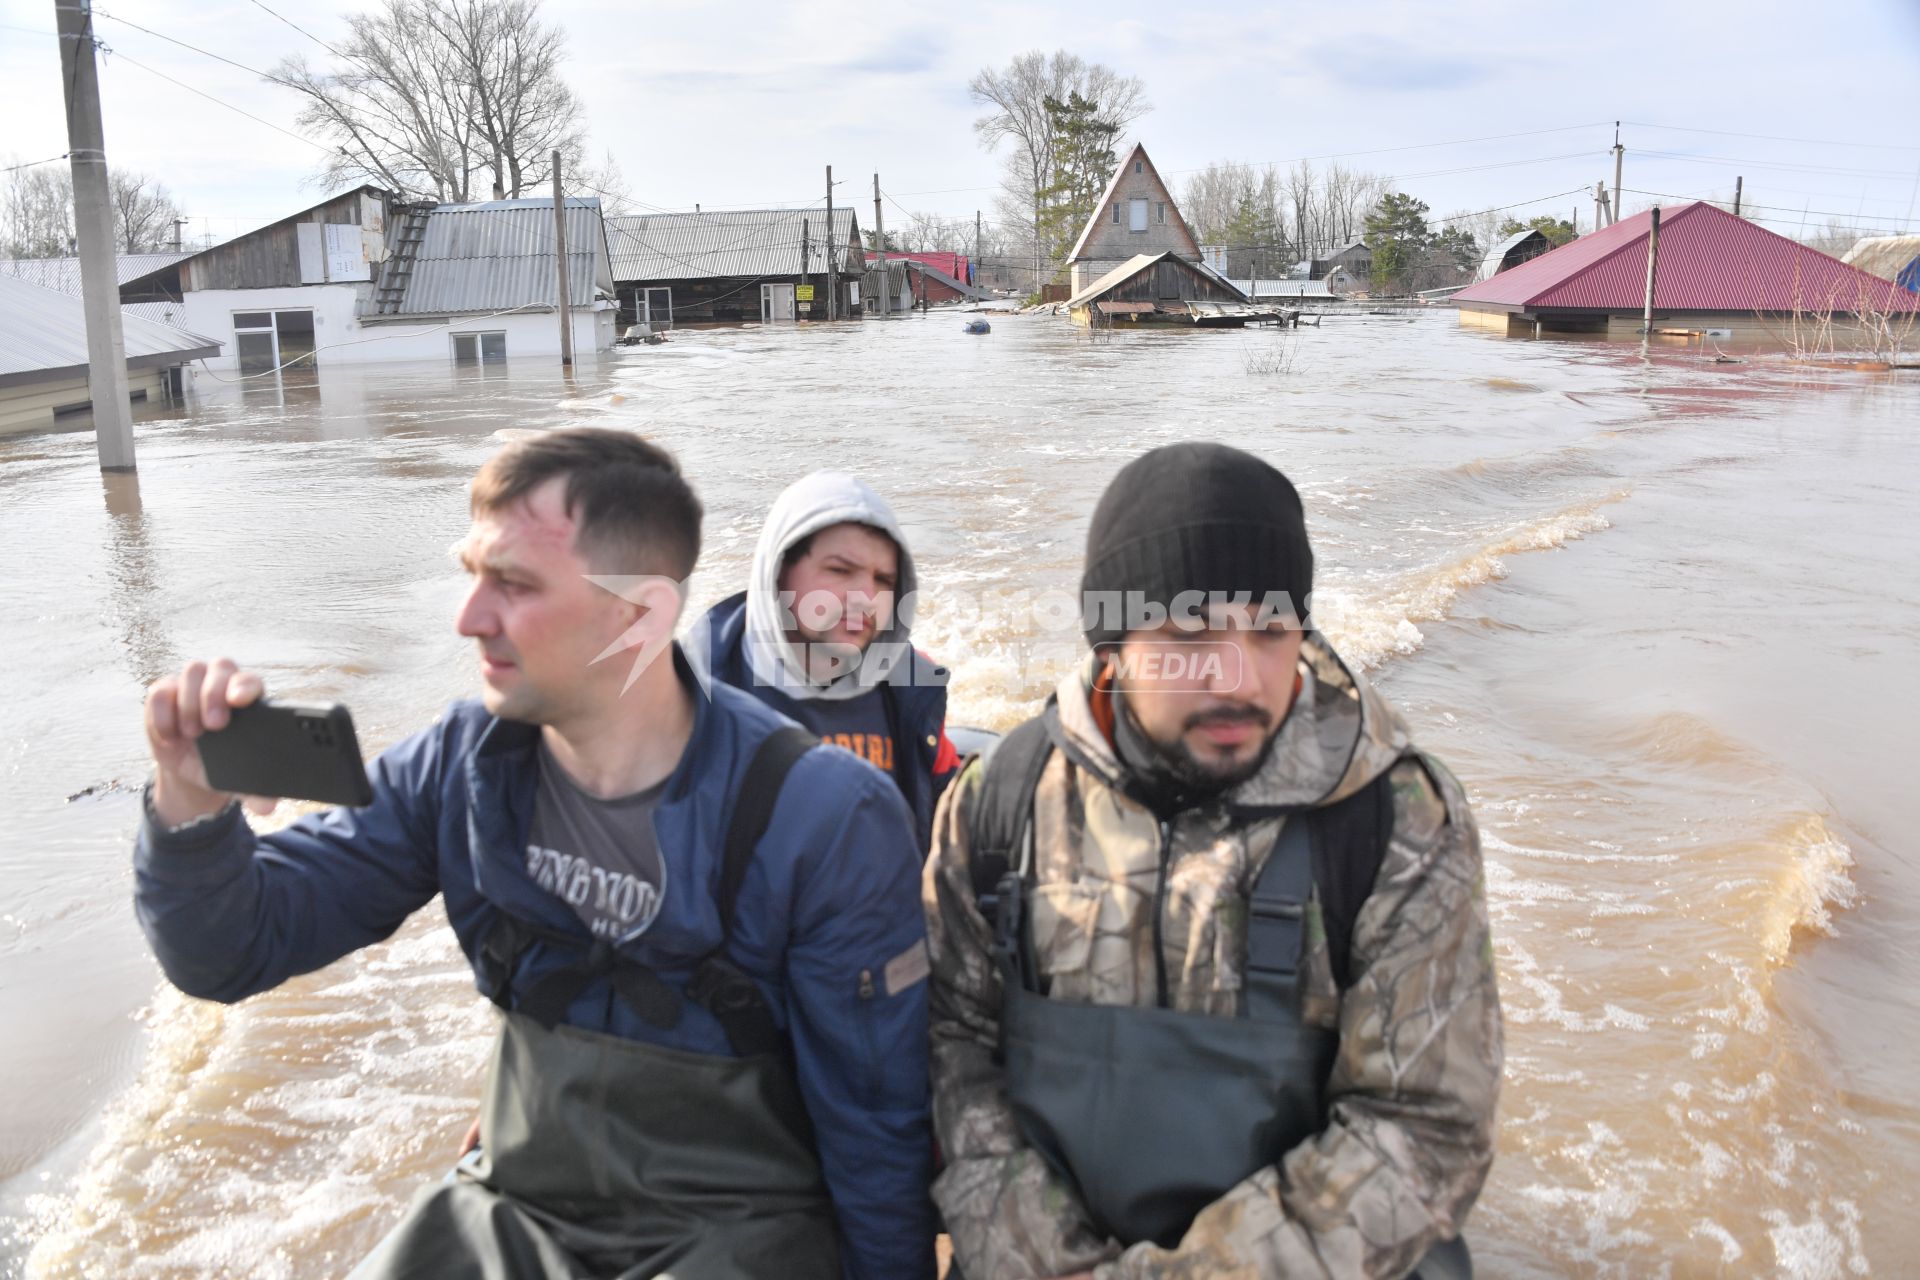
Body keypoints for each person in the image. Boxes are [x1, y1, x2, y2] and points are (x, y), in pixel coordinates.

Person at [133, 429, 936, 1280]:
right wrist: (190, 803)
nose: (468, 617)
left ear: (638, 612)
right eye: (472, 574)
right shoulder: (460, 765)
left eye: (512, 584)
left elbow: (875, 1128)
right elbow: (229, 951)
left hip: (740, 1235)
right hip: (514, 1211)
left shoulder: (827, 819)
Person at [924, 442, 1503, 1280]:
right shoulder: (1001, 803)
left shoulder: (1393, 819)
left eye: (1271, 631)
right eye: (1190, 631)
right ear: (1112, 644)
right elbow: (955, 1051)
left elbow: (1426, 1129)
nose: (1236, 677)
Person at [693, 471, 958, 851]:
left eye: (883, 580)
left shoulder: (911, 690)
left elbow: (952, 831)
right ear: (779, 569)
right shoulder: (693, 691)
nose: (866, 597)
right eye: (839, 570)